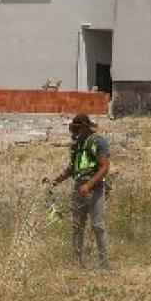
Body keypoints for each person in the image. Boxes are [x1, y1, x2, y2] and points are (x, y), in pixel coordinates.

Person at [44, 114, 111, 269]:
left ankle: (104, 263)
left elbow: (104, 167)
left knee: (97, 226)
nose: (75, 132)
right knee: (77, 226)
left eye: (78, 129)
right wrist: (55, 181)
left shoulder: (98, 142)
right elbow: (72, 168)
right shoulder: (77, 145)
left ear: (86, 127)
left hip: (95, 189)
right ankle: (77, 262)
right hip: (78, 189)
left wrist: (88, 185)